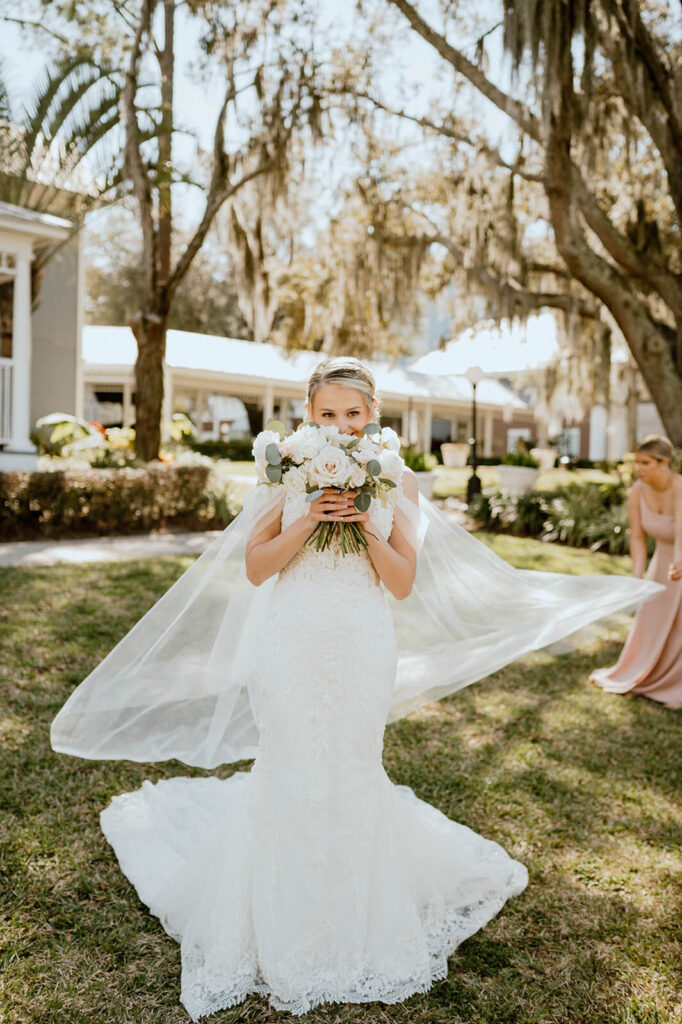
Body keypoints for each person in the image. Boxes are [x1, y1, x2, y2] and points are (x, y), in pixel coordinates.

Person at [51, 359, 660, 1020]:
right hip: (290, 638)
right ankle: (279, 906)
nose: (339, 426)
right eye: (327, 414)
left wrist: (368, 524)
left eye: (351, 414)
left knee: (349, 762)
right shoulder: (283, 469)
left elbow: (400, 584)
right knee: (291, 758)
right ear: (308, 416)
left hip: (362, 640)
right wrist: (308, 517)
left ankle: (355, 904)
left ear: (372, 415)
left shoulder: (397, 479)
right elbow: (256, 570)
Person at [590, 435, 681, 708]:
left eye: (646, 463)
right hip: (661, 563)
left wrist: (678, 563)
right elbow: (638, 538)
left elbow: (680, 536)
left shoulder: (680, 488)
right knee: (650, 619)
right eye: (637, 463)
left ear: (663, 463)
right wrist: (637, 576)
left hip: (679, 560)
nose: (639, 469)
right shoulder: (638, 491)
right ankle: (644, 673)